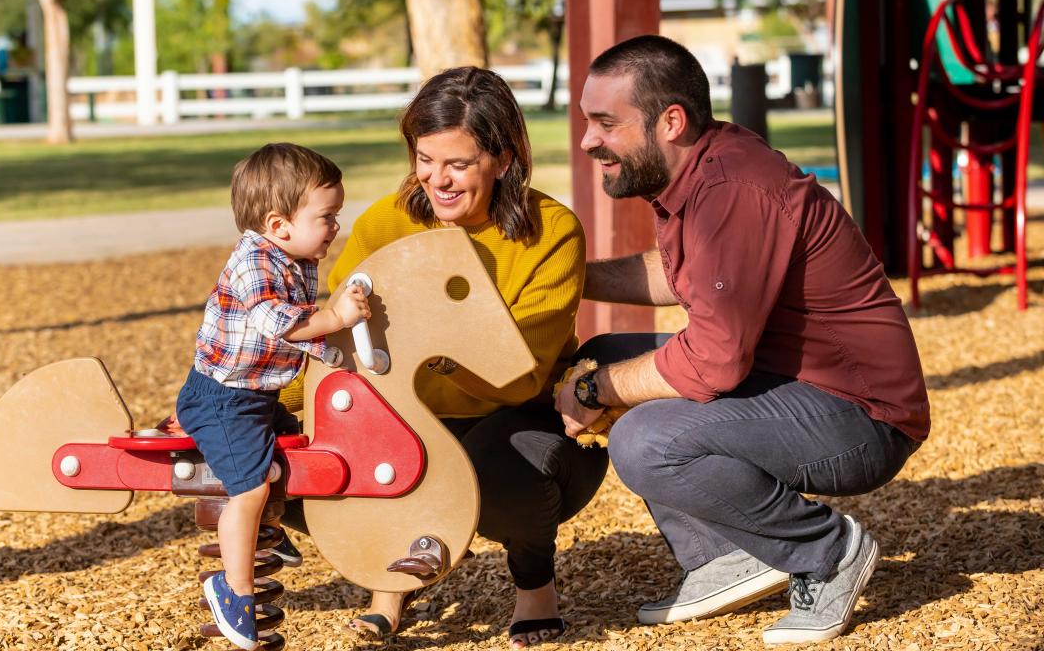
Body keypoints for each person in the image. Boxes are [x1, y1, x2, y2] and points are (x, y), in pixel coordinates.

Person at [554, 35, 929, 645]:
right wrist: (571, 281)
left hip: (862, 418)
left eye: (605, 124)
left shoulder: (732, 189)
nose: (588, 140)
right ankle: (727, 556)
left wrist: (598, 390)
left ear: (670, 122)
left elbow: (716, 360)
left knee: (643, 436)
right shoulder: (702, 168)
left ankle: (827, 552)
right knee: (613, 358)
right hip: (798, 386)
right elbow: (680, 275)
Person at [277, 66, 608, 649]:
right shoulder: (386, 223)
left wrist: (433, 350)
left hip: (513, 416)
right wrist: (271, 408)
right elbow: (331, 343)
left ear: (503, 159)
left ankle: (534, 583)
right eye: (425, 159)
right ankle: (390, 576)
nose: (438, 180)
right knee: (251, 447)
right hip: (397, 415)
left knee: (497, 474)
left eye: (458, 163)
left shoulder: (551, 231)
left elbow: (521, 367)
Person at [178, 143, 370, 651]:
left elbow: (303, 338)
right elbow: (279, 323)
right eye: (326, 217)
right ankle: (232, 588)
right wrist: (337, 318)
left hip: (256, 396)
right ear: (279, 223)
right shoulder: (254, 264)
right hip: (220, 398)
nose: (335, 227)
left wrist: (337, 353)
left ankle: (268, 525)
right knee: (251, 485)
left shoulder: (295, 256)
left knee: (295, 450)